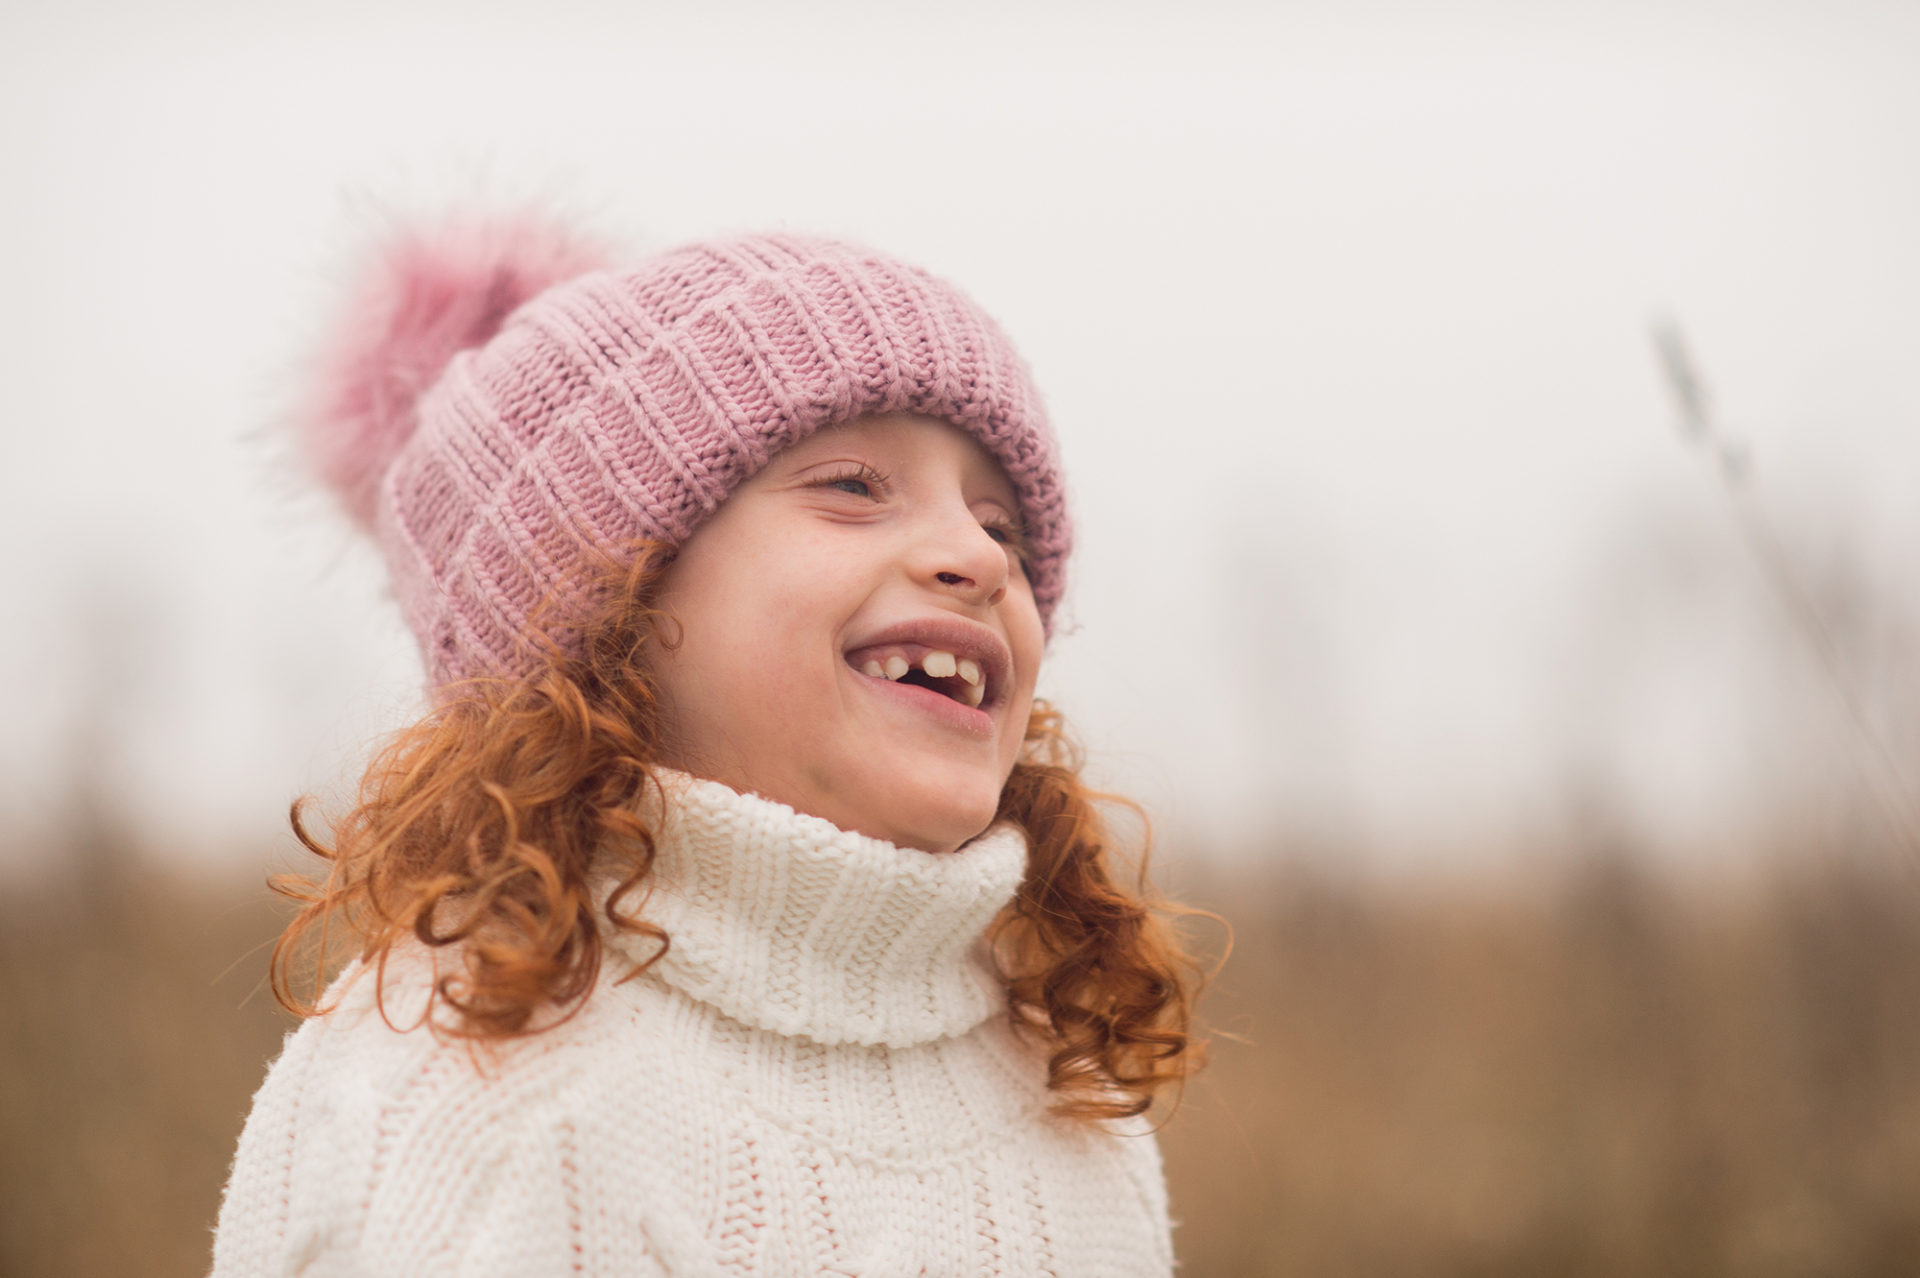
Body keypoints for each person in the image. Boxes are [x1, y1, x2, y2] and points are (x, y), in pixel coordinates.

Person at [210, 217, 1207, 1276]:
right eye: (854, 487)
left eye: (1003, 526)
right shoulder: (481, 1085)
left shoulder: (1068, 1099)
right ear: (612, 603)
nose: (976, 555)